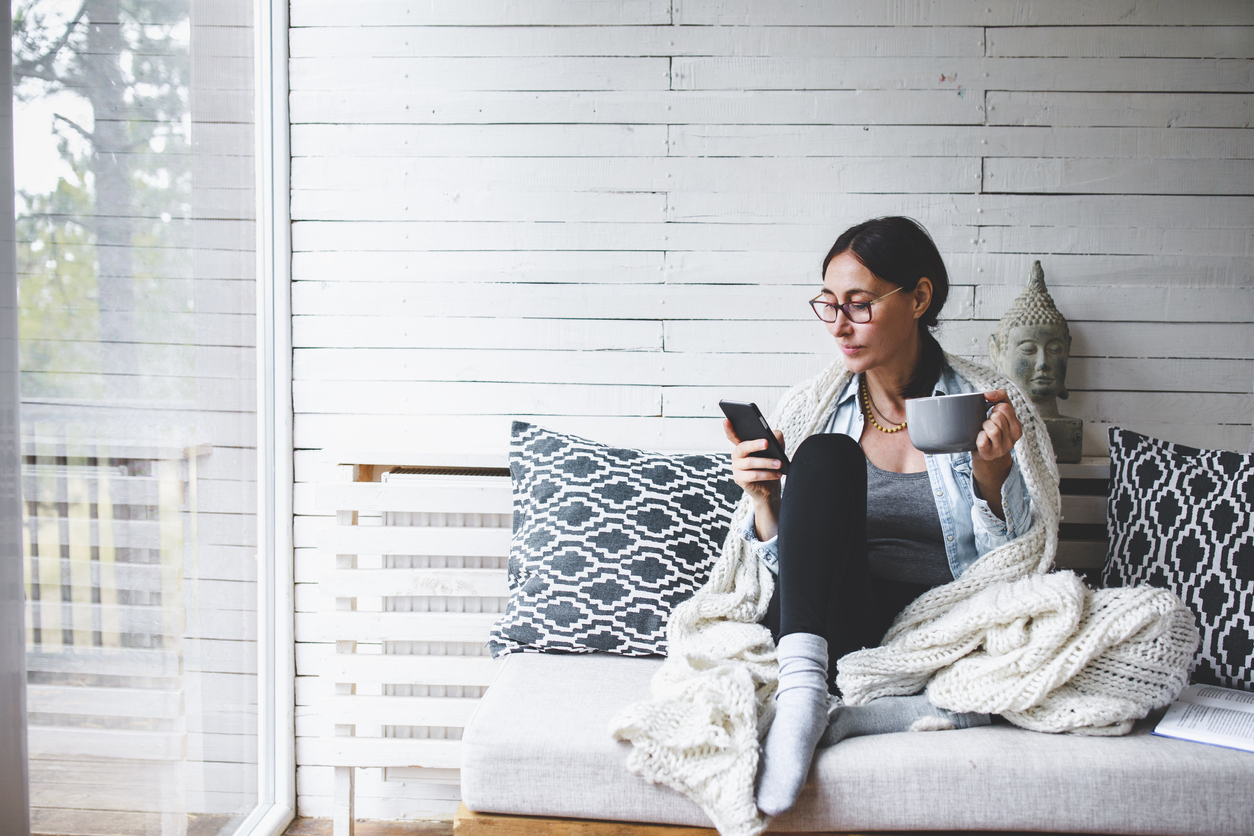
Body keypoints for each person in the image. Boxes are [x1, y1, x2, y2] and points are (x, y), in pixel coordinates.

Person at [721, 216, 1036, 816]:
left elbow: (1021, 570)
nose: (840, 325)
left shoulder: (990, 403)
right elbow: (784, 570)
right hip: (827, 629)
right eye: (829, 305)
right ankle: (804, 697)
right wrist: (764, 501)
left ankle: (873, 713)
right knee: (826, 453)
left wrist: (993, 477)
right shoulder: (812, 407)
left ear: (918, 297)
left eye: (859, 305)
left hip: (943, 632)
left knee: (1060, 641)